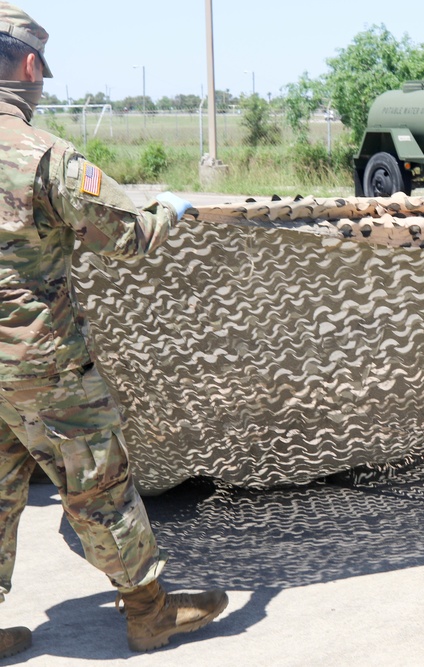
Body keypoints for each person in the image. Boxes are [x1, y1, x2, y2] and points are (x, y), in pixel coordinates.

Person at [0, 3, 228, 658]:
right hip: (39, 361)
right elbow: (127, 234)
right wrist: (167, 210)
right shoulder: (46, 158)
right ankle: (149, 611)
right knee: (97, 478)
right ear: (32, 65)